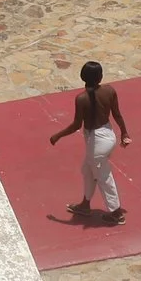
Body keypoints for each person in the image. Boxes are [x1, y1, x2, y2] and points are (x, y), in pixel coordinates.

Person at [48, 59, 129, 223]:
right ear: (100, 77)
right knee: (88, 170)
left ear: (82, 77)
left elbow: (77, 125)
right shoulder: (109, 91)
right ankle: (85, 205)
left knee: (103, 176)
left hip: (96, 143)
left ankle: (116, 213)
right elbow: (117, 114)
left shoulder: (81, 99)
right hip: (108, 135)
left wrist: (57, 135)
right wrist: (124, 133)